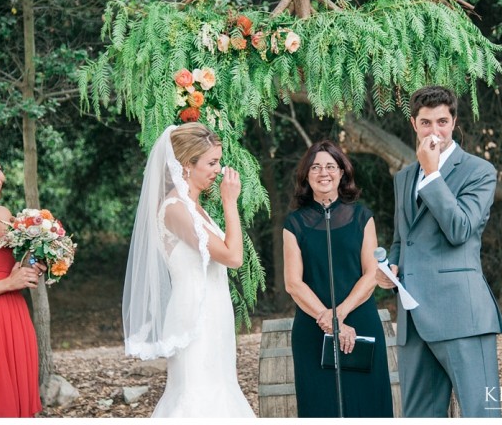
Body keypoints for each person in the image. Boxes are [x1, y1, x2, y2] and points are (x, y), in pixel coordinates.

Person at [376, 85, 502, 417]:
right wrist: (390, 265)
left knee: (481, 413)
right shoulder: (404, 176)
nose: (435, 131)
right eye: (426, 123)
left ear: (454, 121)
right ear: (413, 124)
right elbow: (402, 238)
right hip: (413, 318)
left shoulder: (479, 171)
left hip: (461, 314)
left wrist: (433, 173)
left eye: (442, 122)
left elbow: (460, 229)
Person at [122, 122, 254, 417]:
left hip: (214, 311)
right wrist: (230, 202)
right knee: (196, 394)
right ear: (186, 165)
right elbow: (233, 257)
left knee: (219, 389)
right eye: (211, 162)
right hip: (194, 316)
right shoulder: (175, 209)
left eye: (217, 161)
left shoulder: (195, 209)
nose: (218, 170)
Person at [283, 140, 393, 417]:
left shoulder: (362, 217)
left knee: (366, 403)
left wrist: (339, 316)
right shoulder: (294, 223)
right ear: (306, 175)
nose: (324, 172)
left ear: (342, 172)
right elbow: (293, 283)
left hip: (359, 320)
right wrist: (328, 320)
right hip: (312, 325)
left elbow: (371, 274)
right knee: (320, 406)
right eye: (316, 167)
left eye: (331, 166)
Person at [0, 146, 43, 417]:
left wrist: (36, 264)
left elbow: (12, 268)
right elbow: (8, 280)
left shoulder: (5, 214)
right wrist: (9, 283)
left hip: (14, 321)